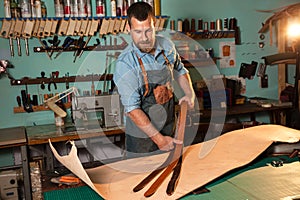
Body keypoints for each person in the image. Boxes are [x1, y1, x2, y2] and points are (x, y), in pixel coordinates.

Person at [113, 2, 195, 158]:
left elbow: (179, 70)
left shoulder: (167, 46)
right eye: (137, 32)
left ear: (155, 25)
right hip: (141, 140)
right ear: (128, 29)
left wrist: (189, 93)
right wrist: (160, 140)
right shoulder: (126, 64)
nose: (144, 38)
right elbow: (133, 110)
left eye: (148, 31)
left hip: (168, 128)